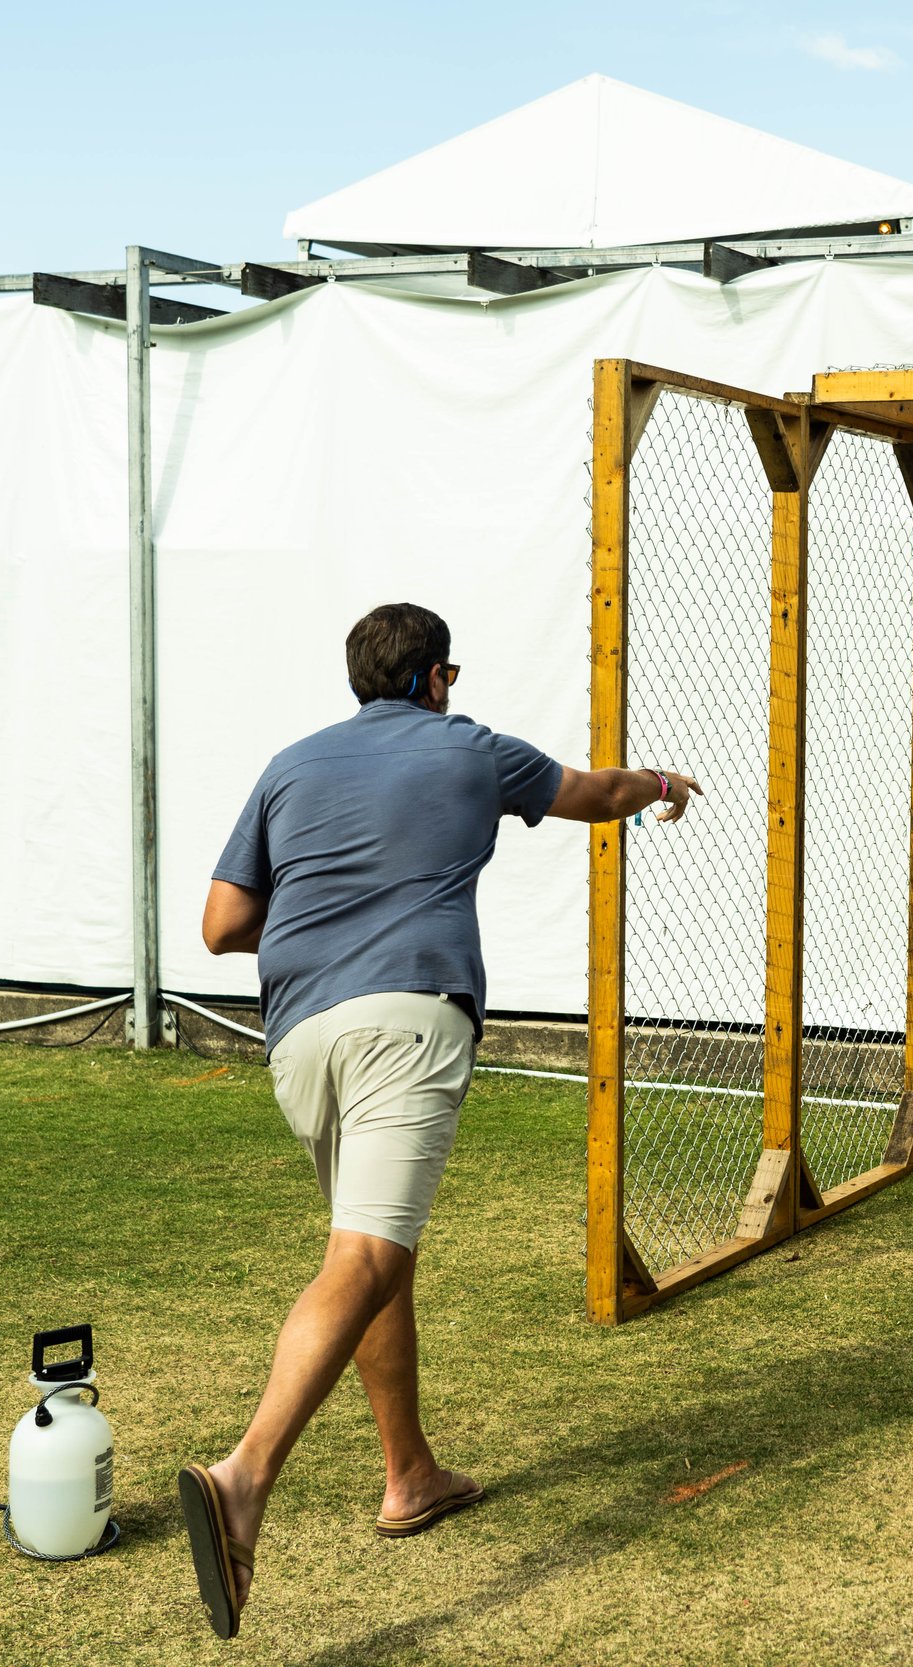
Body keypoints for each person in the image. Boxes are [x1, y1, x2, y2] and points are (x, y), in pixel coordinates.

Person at [177, 602, 699, 1640]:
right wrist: (660, 787)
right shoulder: (470, 746)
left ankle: (409, 1473)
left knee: (379, 1256)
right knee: (365, 1256)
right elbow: (592, 793)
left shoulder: (290, 764)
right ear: (434, 678)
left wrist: (329, 912)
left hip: (300, 1041)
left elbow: (222, 924)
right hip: (406, 1020)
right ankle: (244, 1476)